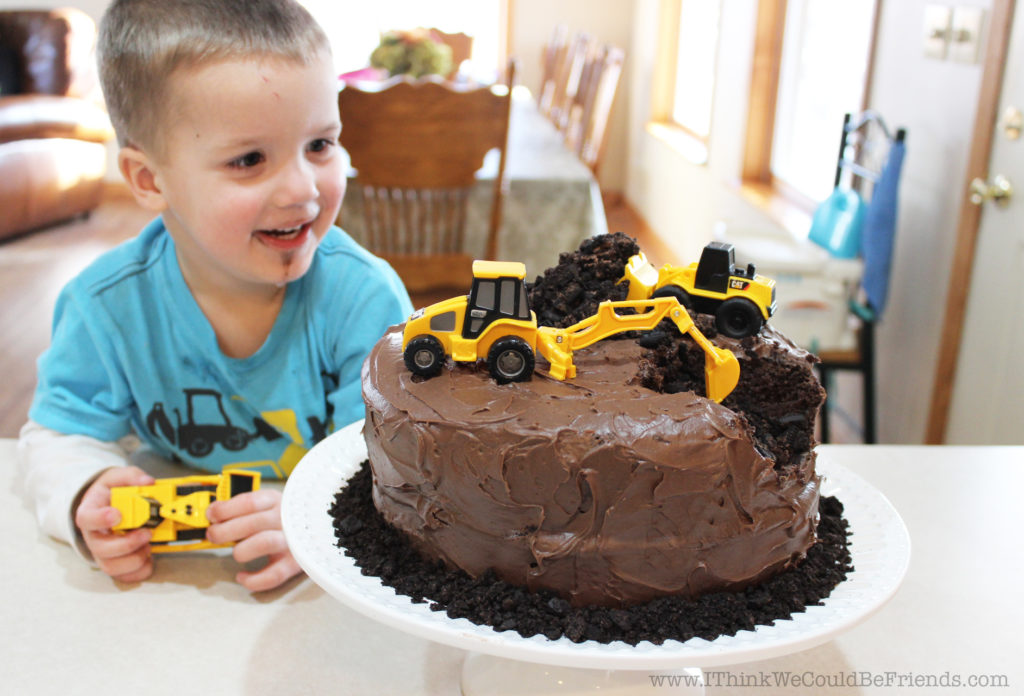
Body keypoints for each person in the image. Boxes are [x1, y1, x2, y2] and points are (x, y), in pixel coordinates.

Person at [16, 0, 412, 592]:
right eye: (250, 159)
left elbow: (390, 462)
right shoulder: (106, 307)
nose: (303, 189)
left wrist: (317, 518)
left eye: (321, 145)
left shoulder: (362, 297)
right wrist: (85, 491)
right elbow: (58, 433)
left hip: (325, 600)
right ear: (149, 180)